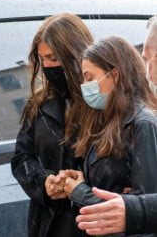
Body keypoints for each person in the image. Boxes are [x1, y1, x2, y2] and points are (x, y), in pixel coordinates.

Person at [56, 36, 157, 237]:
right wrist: (80, 181)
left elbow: (142, 209)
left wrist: (79, 191)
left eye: (89, 77)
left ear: (115, 75)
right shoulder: (105, 121)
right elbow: (113, 190)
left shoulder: (142, 124)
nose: (85, 85)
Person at [11, 13, 94, 237]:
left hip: (88, 222)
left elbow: (118, 169)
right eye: (42, 59)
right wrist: (45, 181)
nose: (47, 66)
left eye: (54, 58)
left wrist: (78, 185)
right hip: (45, 223)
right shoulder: (39, 103)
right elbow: (21, 158)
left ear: (75, 55)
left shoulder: (100, 100)